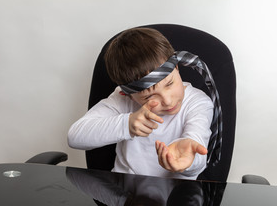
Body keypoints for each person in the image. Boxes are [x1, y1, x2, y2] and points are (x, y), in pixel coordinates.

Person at [68, 27, 213, 179]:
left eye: (170, 83)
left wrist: (188, 161)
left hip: (177, 196)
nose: (168, 100)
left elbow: (198, 151)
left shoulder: (198, 103)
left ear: (176, 67)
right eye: (149, 97)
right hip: (125, 193)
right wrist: (126, 124)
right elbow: (75, 136)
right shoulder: (122, 100)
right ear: (127, 95)